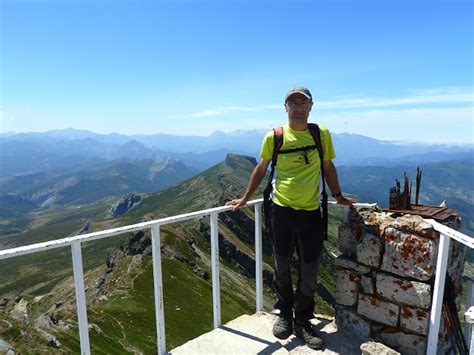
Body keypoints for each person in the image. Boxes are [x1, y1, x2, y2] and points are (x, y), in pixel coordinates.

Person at [226, 87, 354, 350]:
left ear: (311, 106)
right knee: (281, 265)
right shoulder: (275, 137)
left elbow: (328, 166)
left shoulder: (321, 135)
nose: (298, 107)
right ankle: (284, 314)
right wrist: (243, 198)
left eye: (302, 102)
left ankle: (303, 321)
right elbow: (261, 169)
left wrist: (338, 194)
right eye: (292, 103)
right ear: (285, 107)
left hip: (311, 213)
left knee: (309, 271)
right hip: (281, 211)